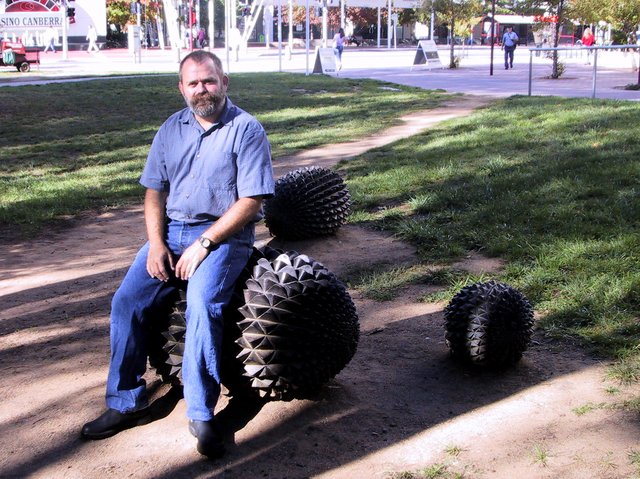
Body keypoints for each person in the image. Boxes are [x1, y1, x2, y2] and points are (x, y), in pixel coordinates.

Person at [80, 50, 275, 460]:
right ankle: (124, 402)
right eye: (193, 83)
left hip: (223, 236)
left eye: (209, 81)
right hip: (171, 231)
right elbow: (155, 192)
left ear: (225, 82)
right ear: (181, 88)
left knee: (202, 305)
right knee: (126, 302)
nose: (201, 89)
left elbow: (252, 200)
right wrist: (155, 244)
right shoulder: (170, 129)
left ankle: (202, 412)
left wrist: (205, 244)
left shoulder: (246, 129)